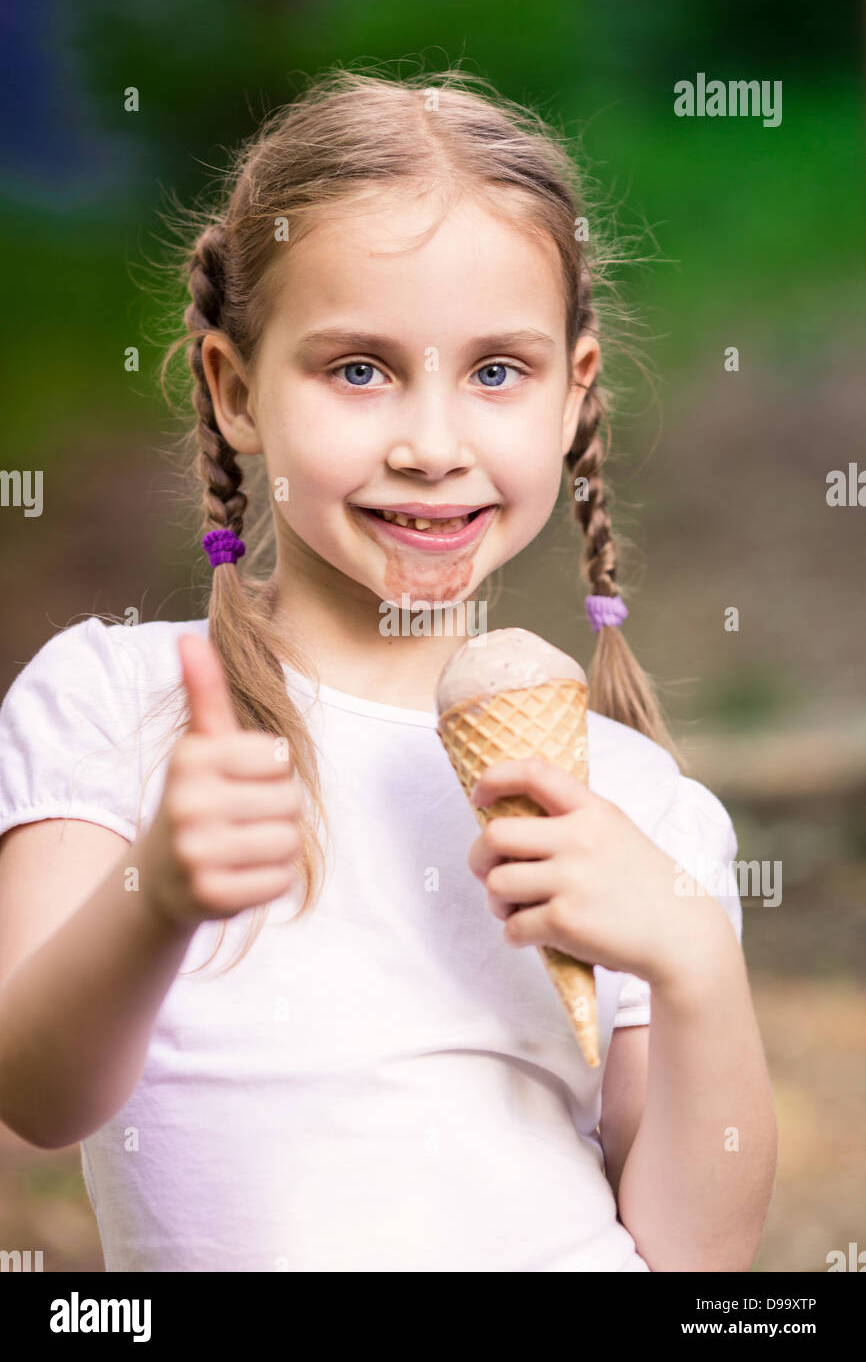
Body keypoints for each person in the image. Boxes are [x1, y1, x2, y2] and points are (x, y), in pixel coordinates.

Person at [0, 66, 776, 1272]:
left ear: (572, 396)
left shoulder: (643, 804)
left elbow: (697, 1262)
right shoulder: (117, 703)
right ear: (234, 386)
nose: (429, 445)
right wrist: (154, 899)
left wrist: (691, 958)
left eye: (496, 371)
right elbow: (37, 1099)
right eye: (357, 368)